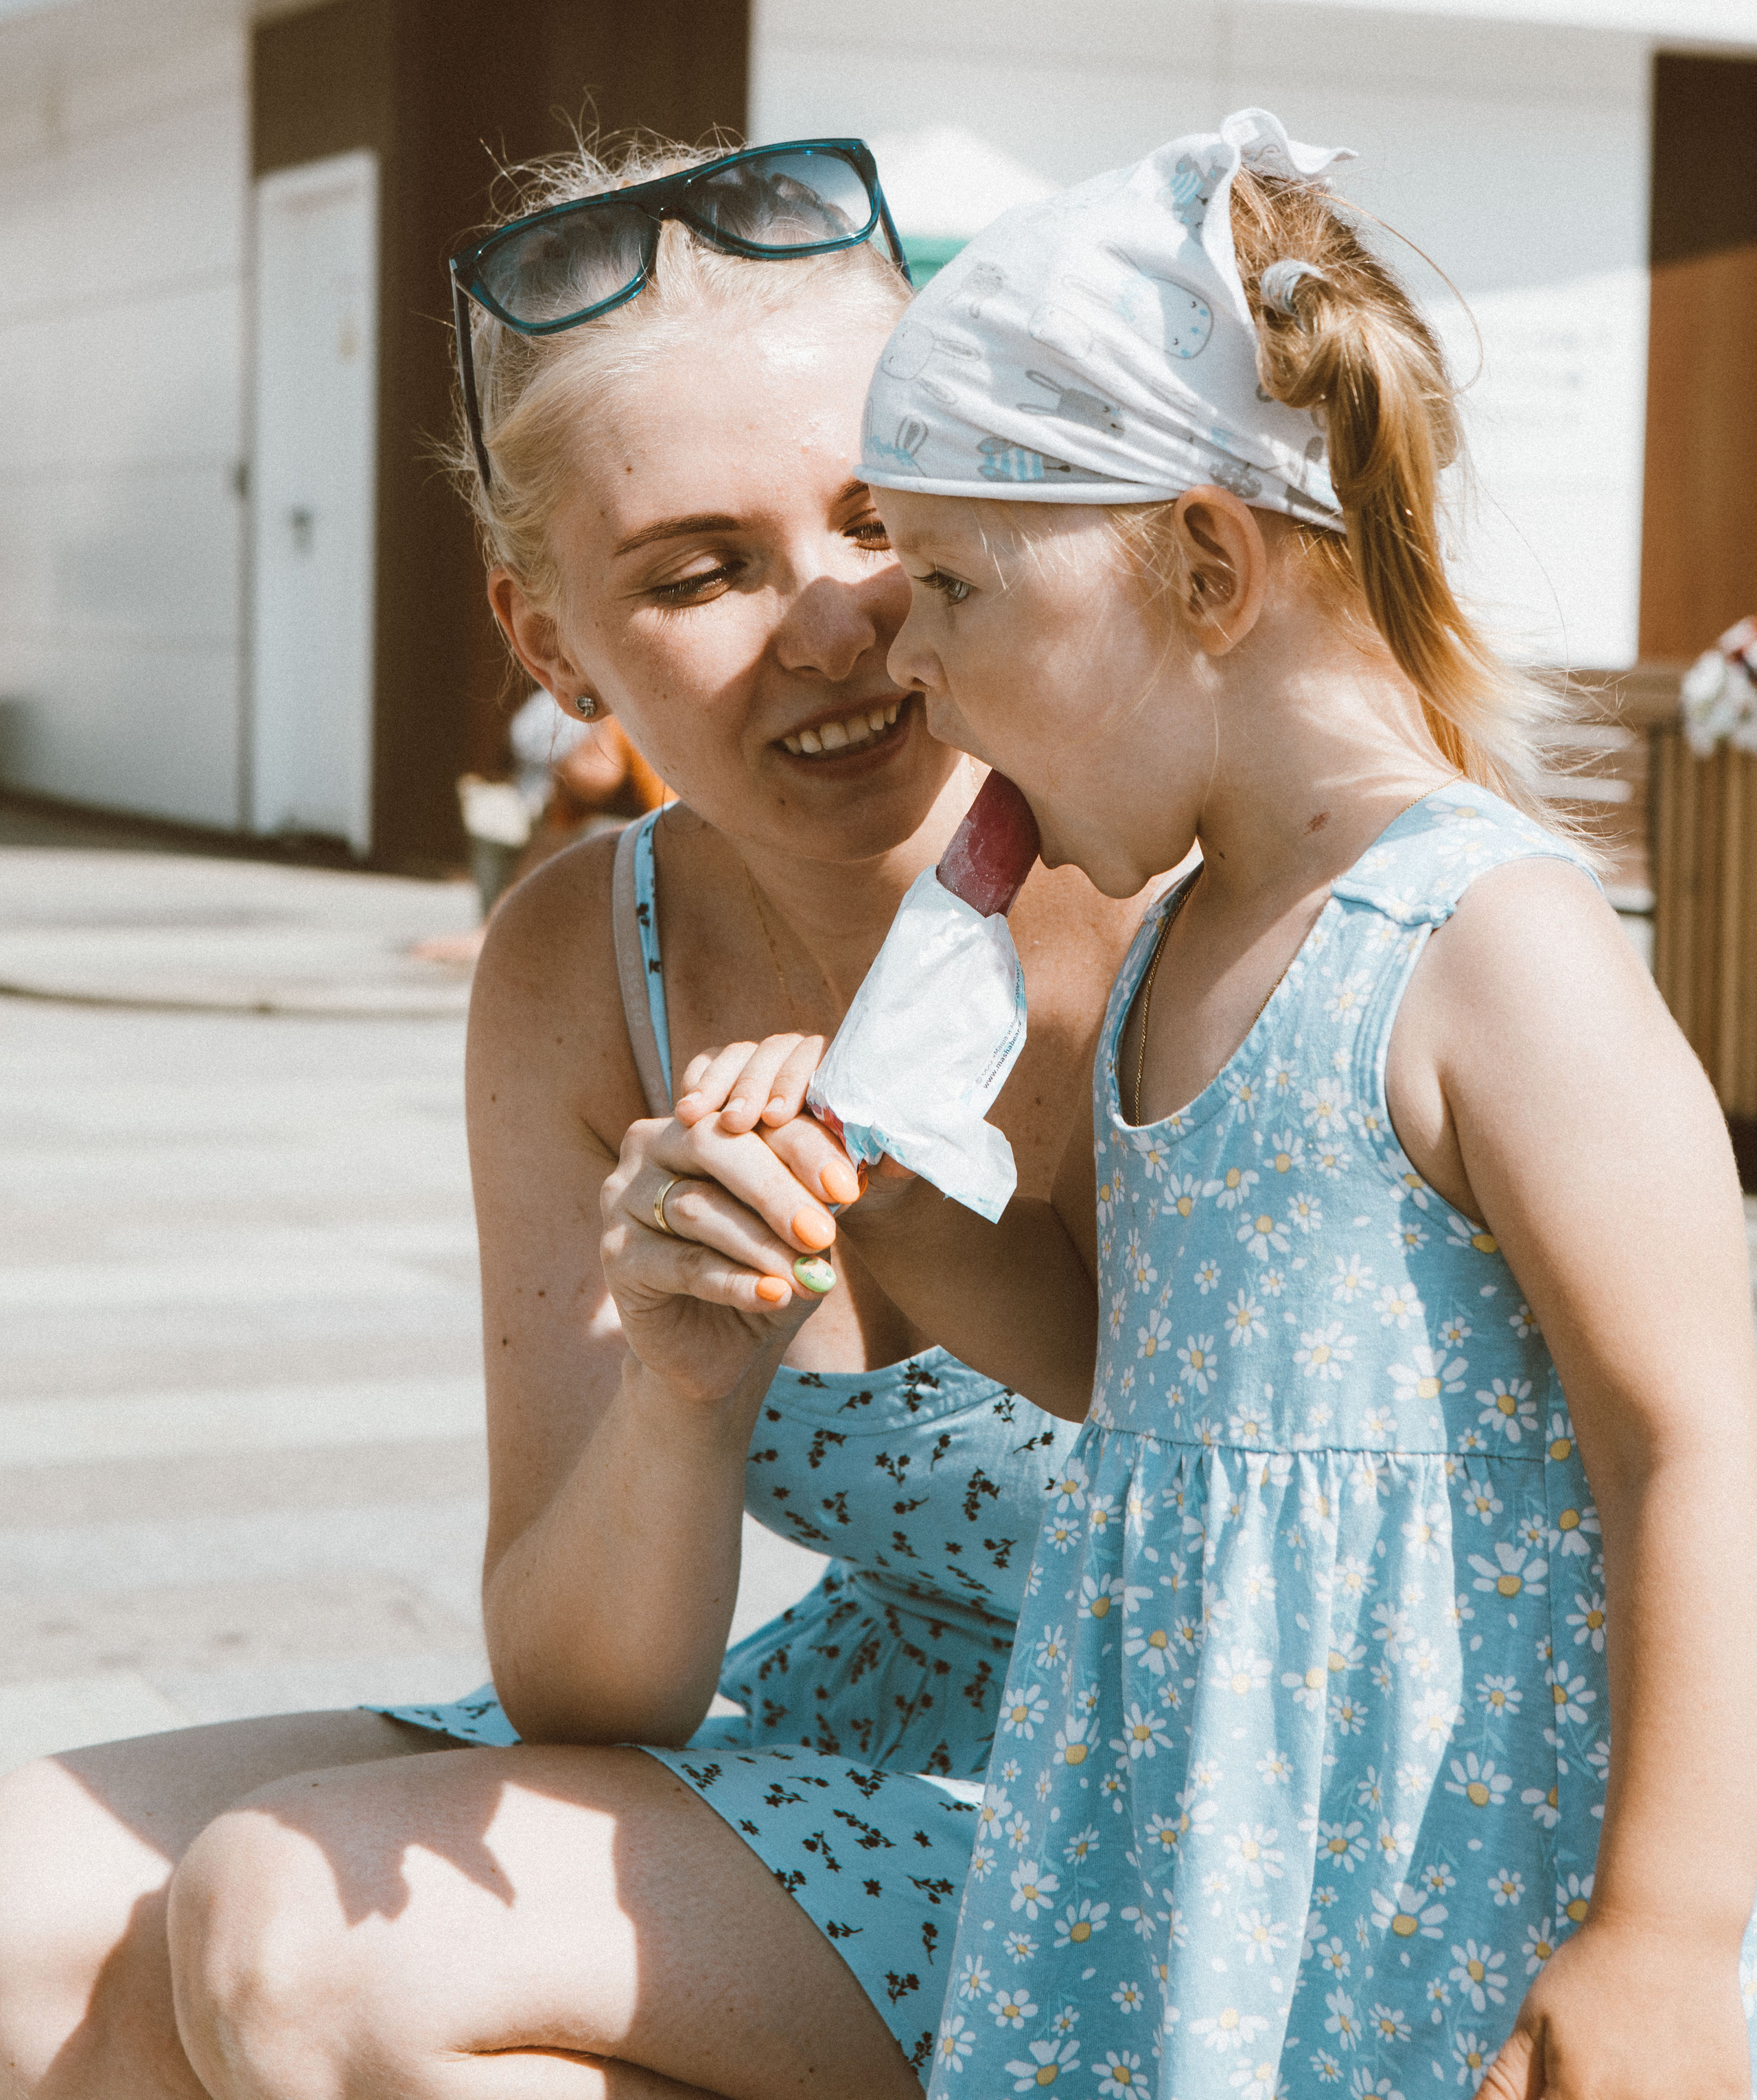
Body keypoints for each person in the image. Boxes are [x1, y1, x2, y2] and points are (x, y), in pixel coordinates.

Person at [0, 135, 1153, 2100]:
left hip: (1176, 1788)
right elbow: (589, 1684)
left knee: (297, 1954)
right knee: (28, 1925)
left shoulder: (1166, 883)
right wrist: (684, 1398)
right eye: (700, 570)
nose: (828, 620)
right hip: (864, 1726)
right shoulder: (583, 958)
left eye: (874, 518)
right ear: (550, 648)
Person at [658, 114, 1757, 2097]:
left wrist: (1669, 1934)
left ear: (1203, 562)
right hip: (1178, 1872)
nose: (903, 652)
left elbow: (1696, 1440)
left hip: (1434, 1884)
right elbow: (1132, 1361)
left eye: (956, 586)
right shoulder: (1176, 936)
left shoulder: (1482, 941)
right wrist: (884, 1210)